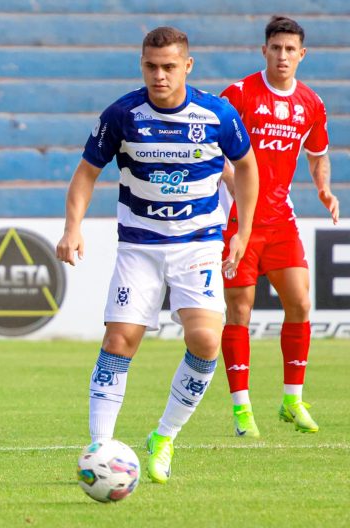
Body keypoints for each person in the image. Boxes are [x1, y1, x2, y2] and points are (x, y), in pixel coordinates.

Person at [56, 26, 259, 484]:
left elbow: (246, 167)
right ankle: (100, 448)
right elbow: (86, 173)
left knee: (206, 341)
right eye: (151, 66)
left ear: (188, 66)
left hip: (198, 244)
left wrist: (242, 230)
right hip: (140, 247)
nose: (159, 75)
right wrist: (73, 229)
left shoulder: (217, 115)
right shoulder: (122, 115)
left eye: (169, 66)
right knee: (119, 341)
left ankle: (165, 435)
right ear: (141, 64)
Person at [218, 16, 339, 437]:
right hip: (237, 220)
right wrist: (241, 198)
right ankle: (241, 409)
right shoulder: (239, 94)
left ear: (301, 55)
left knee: (301, 305)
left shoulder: (311, 103)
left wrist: (324, 190)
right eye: (276, 48)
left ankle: (292, 400)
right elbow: (216, 157)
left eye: (290, 49)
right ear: (264, 51)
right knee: (240, 310)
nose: (283, 55)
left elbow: (318, 152)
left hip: (281, 220)